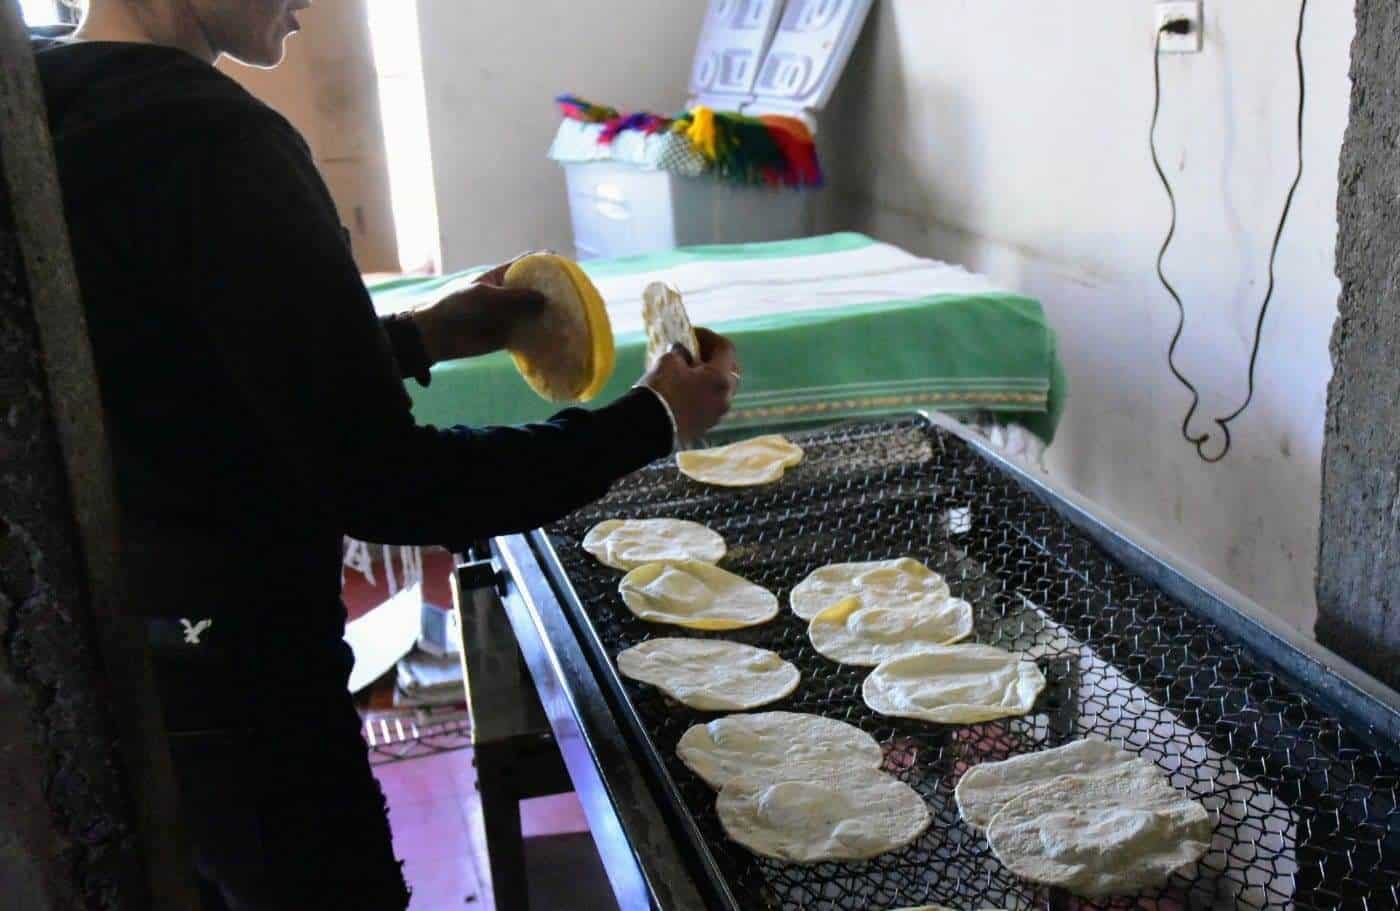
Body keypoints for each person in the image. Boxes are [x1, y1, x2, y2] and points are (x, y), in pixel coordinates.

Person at [30, 1, 740, 908]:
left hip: (127, 657)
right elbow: (388, 480)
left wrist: (420, 337)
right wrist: (653, 417)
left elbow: (188, 370)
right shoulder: (213, 138)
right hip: (251, 681)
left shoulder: (44, 102)